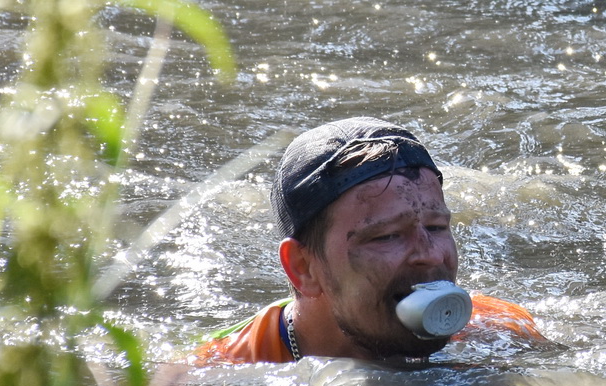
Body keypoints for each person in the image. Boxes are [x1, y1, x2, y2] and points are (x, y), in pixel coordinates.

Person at [192, 116, 545, 364]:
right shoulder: (218, 375)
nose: (430, 255)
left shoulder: (498, 331)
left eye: (437, 227)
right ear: (303, 268)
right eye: (387, 235)